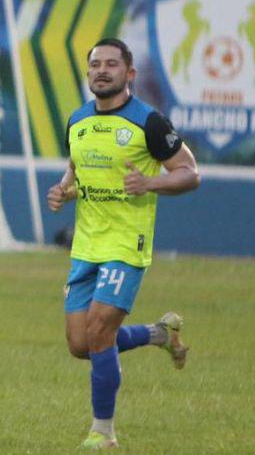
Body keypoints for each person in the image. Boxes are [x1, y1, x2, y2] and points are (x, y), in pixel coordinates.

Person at [46, 38, 200, 451]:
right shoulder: (78, 121)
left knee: (99, 330)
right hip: (86, 246)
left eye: (111, 64)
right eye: (95, 64)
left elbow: (189, 172)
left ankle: (103, 432)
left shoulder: (149, 122)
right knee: (82, 345)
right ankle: (159, 335)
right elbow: (79, 167)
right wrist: (64, 190)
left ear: (129, 74)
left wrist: (151, 182)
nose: (102, 70)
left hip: (126, 245)